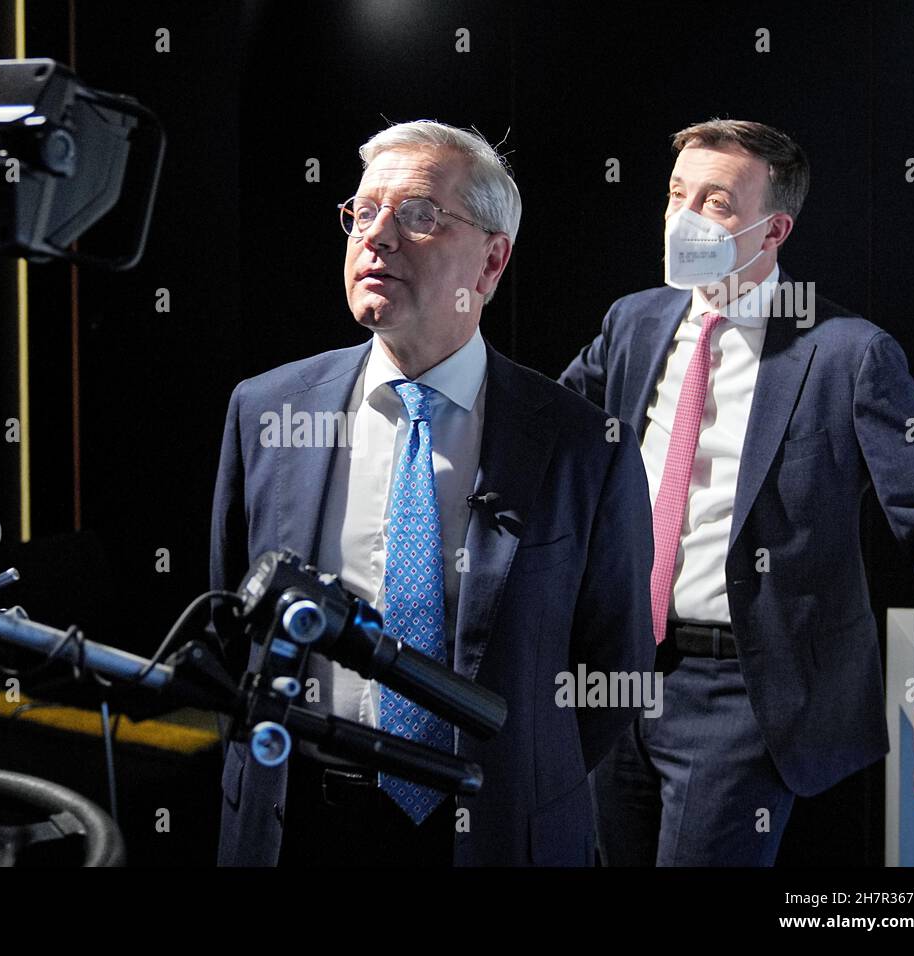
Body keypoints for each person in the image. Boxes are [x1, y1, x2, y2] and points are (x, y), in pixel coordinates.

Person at [211, 120, 655, 866]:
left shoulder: (582, 447)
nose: (376, 236)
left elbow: (614, 666)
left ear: (490, 263)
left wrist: (526, 784)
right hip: (298, 825)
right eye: (362, 212)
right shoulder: (266, 412)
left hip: (493, 830)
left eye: (418, 215)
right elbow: (235, 621)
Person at [559, 118, 914, 866]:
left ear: (773, 229)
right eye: (677, 193)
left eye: (716, 202)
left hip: (740, 692)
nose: (684, 217)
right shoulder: (633, 323)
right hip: (614, 673)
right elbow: (545, 435)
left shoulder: (850, 354)